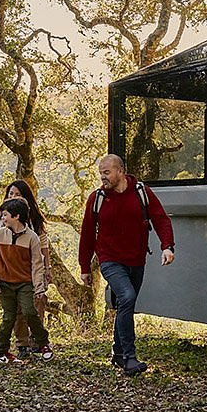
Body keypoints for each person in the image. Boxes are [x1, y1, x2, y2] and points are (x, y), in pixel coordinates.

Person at [78, 154, 174, 376]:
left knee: (125, 304)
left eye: (107, 172)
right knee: (127, 297)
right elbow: (87, 234)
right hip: (110, 259)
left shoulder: (141, 192)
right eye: (101, 173)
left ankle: (118, 352)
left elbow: (161, 219)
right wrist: (84, 267)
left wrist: (167, 246)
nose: (103, 177)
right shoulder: (97, 198)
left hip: (136, 259)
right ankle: (130, 358)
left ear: (120, 171)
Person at [0, 179, 54, 358]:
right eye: (11, 194)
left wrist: (45, 272)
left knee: (31, 309)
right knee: (11, 315)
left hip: (27, 275)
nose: (13, 197)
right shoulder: (1, 225)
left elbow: (41, 249)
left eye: (17, 194)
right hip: (6, 276)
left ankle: (39, 342)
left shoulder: (32, 226)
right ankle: (18, 345)